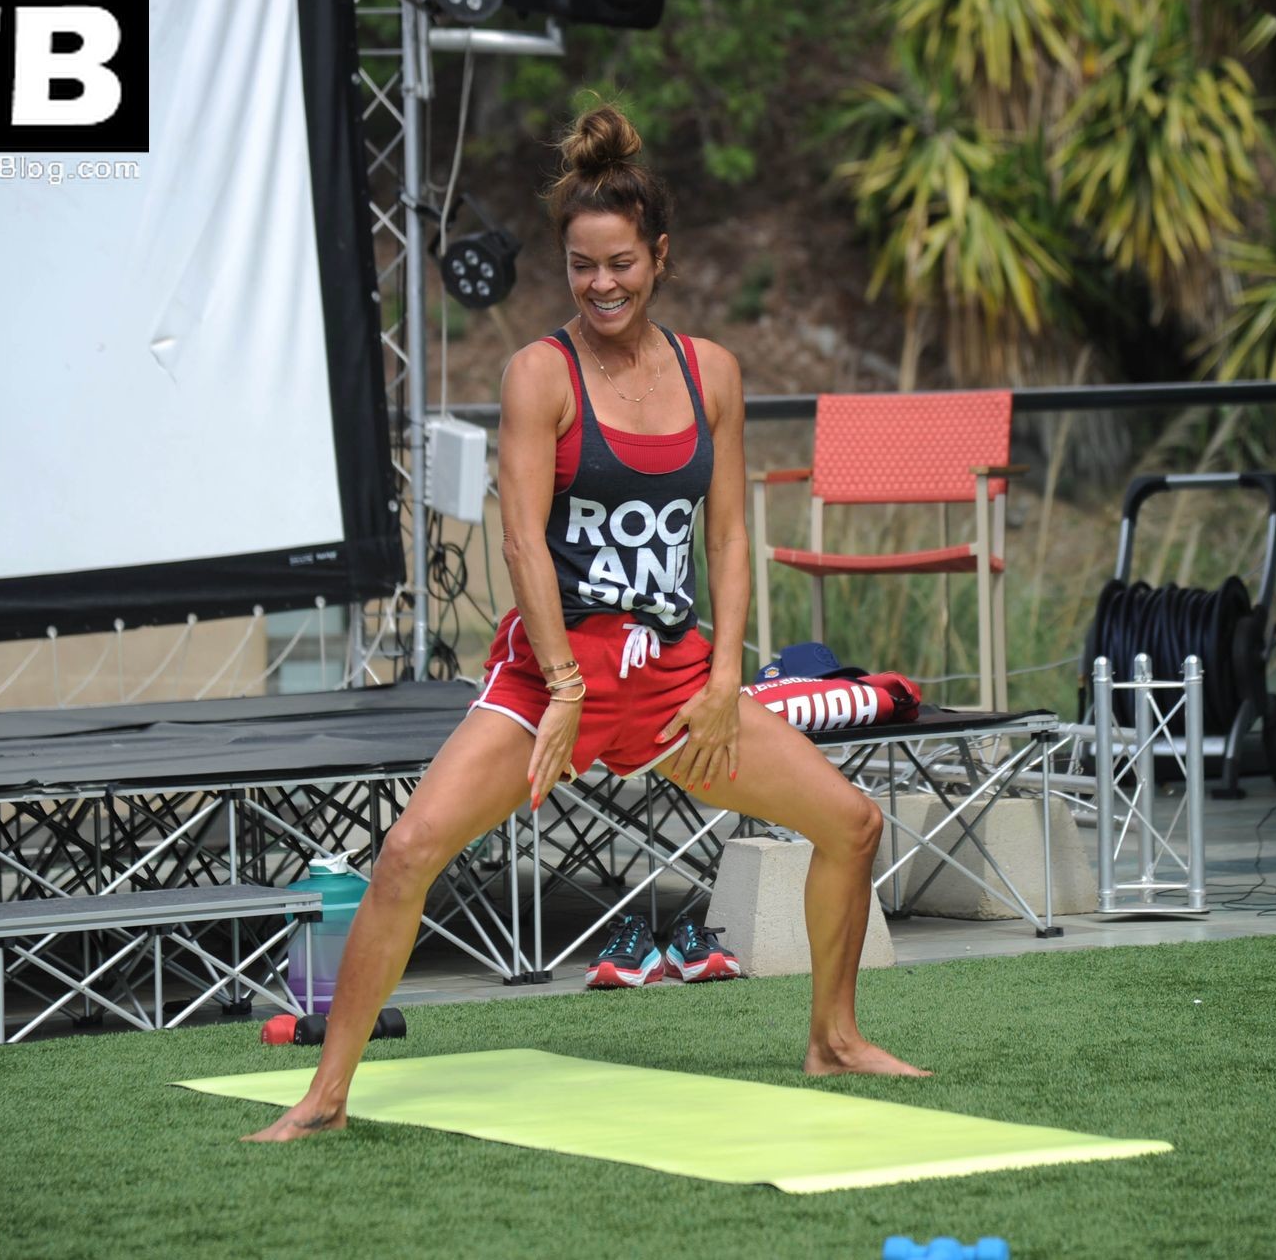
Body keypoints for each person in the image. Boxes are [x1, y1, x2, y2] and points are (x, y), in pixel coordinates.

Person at [246, 104, 925, 1143]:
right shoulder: (539, 374)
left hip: (673, 682)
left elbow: (729, 537)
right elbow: (521, 543)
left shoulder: (712, 373)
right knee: (409, 851)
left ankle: (833, 1038)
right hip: (551, 678)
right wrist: (563, 686)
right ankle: (327, 1096)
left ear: (660, 257)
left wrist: (724, 680)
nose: (601, 285)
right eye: (580, 267)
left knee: (851, 823)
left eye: (620, 264)